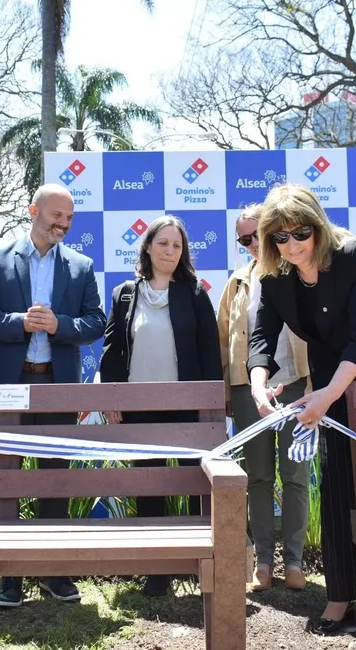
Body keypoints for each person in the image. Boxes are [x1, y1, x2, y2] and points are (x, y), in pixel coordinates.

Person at [247, 184, 356, 635]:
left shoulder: (354, 254)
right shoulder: (273, 274)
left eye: (300, 232)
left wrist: (326, 395)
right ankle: (342, 595)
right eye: (280, 238)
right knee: (339, 482)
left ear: (317, 227)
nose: (292, 245)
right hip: (330, 377)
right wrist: (258, 385)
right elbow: (262, 337)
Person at [0, 183, 106, 608]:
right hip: (9, 386)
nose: (62, 225)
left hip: (55, 385)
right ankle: (9, 574)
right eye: (55, 217)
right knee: (5, 477)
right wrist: (19, 322)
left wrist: (57, 325)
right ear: (33, 211)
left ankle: (53, 571)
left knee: (54, 478)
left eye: (68, 219)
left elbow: (96, 322)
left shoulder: (80, 266)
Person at [98, 215, 222, 597]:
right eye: (163, 243)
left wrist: (209, 406)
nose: (170, 251)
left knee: (191, 481)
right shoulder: (124, 294)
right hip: (140, 406)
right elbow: (112, 351)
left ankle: (194, 560)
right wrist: (111, 397)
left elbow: (209, 353)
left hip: (185, 406)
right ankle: (157, 568)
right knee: (150, 483)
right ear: (148, 246)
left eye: (177, 245)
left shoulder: (195, 293)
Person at [218, 205, 312, 592]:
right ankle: (262, 562)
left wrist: (315, 386)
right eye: (244, 239)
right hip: (247, 388)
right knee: (256, 477)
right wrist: (229, 390)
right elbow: (223, 340)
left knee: (296, 476)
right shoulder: (237, 281)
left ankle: (294, 561)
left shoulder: (300, 270)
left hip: (296, 386)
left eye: (258, 234)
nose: (253, 244)